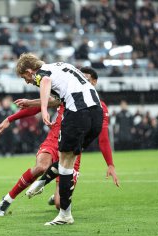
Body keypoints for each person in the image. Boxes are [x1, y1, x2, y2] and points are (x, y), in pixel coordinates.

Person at [15, 53, 103, 225]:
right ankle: (43, 185)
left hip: (78, 113)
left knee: (65, 163)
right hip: (96, 114)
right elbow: (57, 99)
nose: (27, 81)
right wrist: (32, 103)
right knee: (67, 159)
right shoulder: (61, 66)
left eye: (24, 76)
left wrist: (43, 109)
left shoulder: (41, 73)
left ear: (29, 70)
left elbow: (45, 82)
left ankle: (64, 215)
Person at [26, 66, 119, 209]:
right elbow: (42, 104)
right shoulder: (67, 94)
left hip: (76, 136)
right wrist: (13, 117)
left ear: (94, 82)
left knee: (60, 197)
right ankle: (62, 210)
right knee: (64, 161)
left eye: (87, 79)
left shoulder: (99, 107)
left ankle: (51, 194)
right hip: (60, 138)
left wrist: (110, 164)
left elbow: (104, 138)